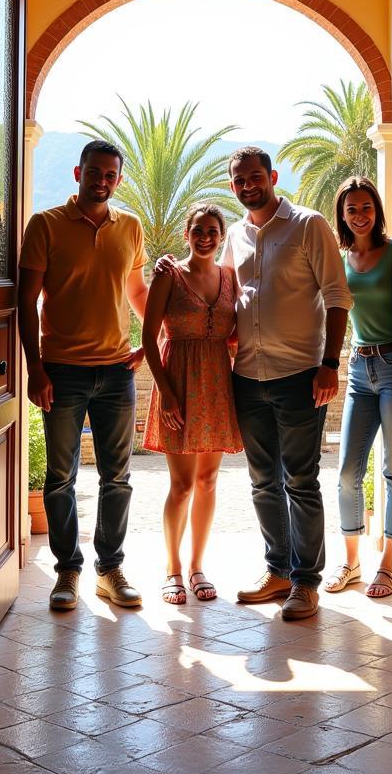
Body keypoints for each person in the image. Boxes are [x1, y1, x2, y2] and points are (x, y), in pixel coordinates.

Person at [18, 139, 149, 611]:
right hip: (63, 371)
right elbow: (25, 301)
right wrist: (35, 369)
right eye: (94, 172)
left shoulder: (130, 227)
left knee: (118, 478)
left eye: (111, 174)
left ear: (119, 179)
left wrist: (151, 345)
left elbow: (136, 291)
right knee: (60, 478)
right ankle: (68, 571)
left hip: (116, 372)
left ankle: (109, 569)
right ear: (78, 173)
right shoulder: (46, 225)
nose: (102, 180)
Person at [224, 146, 352, 620]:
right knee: (262, 481)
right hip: (248, 377)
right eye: (238, 180)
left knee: (300, 479)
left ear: (272, 176)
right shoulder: (234, 235)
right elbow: (226, 295)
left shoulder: (308, 224)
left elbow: (338, 296)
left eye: (254, 177)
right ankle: (277, 570)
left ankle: (306, 582)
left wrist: (330, 363)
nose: (246, 186)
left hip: (300, 375)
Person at [142, 203, 243, 605]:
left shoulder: (229, 277)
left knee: (208, 481)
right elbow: (150, 336)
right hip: (178, 382)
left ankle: (199, 566)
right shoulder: (169, 274)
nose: (206, 237)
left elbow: (236, 330)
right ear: (187, 234)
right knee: (182, 485)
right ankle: (173, 568)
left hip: (218, 384)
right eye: (198, 230)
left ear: (221, 236)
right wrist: (165, 391)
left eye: (213, 230)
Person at [322, 176, 392, 600]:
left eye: (366, 206)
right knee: (348, 471)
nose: (359, 215)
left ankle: (387, 564)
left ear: (376, 210)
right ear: (343, 215)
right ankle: (351, 562)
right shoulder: (340, 259)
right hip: (358, 367)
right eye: (351, 209)